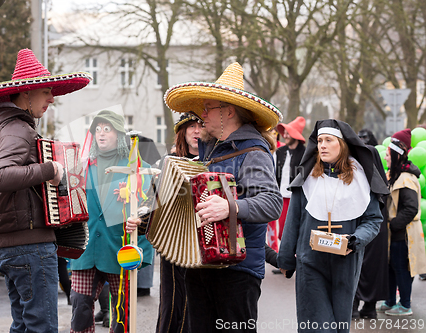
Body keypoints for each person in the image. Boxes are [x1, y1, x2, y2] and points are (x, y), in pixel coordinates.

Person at [0, 48, 91, 333]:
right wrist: (50, 170)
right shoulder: (18, 127)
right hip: (29, 246)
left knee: (25, 326)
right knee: (42, 327)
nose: (52, 98)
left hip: (11, 244)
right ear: (27, 94)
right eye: (46, 91)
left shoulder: (4, 125)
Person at [160, 62, 283, 332]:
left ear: (228, 112)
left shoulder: (253, 153)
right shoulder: (208, 154)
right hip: (200, 263)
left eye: (208, 108)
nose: (201, 114)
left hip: (238, 271)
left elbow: (272, 202)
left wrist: (230, 207)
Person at [277, 119, 388, 333]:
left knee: (338, 325)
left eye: (329, 140)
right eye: (319, 141)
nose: (322, 145)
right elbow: (294, 219)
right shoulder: (307, 177)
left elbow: (373, 220)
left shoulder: (362, 180)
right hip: (310, 261)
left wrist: (354, 240)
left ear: (343, 144)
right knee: (316, 325)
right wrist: (285, 259)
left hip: (345, 264)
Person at [69, 110, 154, 333]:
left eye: (107, 129)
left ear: (118, 134)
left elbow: (147, 207)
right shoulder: (83, 167)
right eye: (97, 130)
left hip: (120, 248)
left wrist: (138, 218)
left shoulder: (135, 166)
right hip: (85, 250)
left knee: (122, 312)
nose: (101, 134)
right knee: (80, 308)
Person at [156, 112, 202, 333]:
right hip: (172, 244)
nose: (196, 131)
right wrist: (139, 219)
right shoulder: (167, 162)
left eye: (200, 125)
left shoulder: (215, 161)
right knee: (171, 304)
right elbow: (153, 201)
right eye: (191, 126)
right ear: (182, 133)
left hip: (203, 243)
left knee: (198, 306)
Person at [378, 129, 426, 316]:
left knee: (402, 269)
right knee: (390, 268)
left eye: (389, 155)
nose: (386, 158)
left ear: (397, 155)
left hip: (402, 235)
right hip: (393, 233)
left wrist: (394, 224)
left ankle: (405, 305)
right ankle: (390, 301)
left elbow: (411, 208)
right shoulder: (394, 175)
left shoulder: (406, 179)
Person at [353, 128, 389, 319]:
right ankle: (362, 307)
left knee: (367, 267)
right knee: (360, 266)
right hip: (374, 230)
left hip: (371, 228)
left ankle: (367, 307)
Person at [269, 116, 306, 254]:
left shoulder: (304, 153)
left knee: (292, 229)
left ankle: (292, 257)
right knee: (282, 231)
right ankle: (289, 257)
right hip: (281, 195)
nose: (284, 135)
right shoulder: (280, 152)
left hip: (295, 197)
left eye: (288, 132)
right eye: (284, 132)